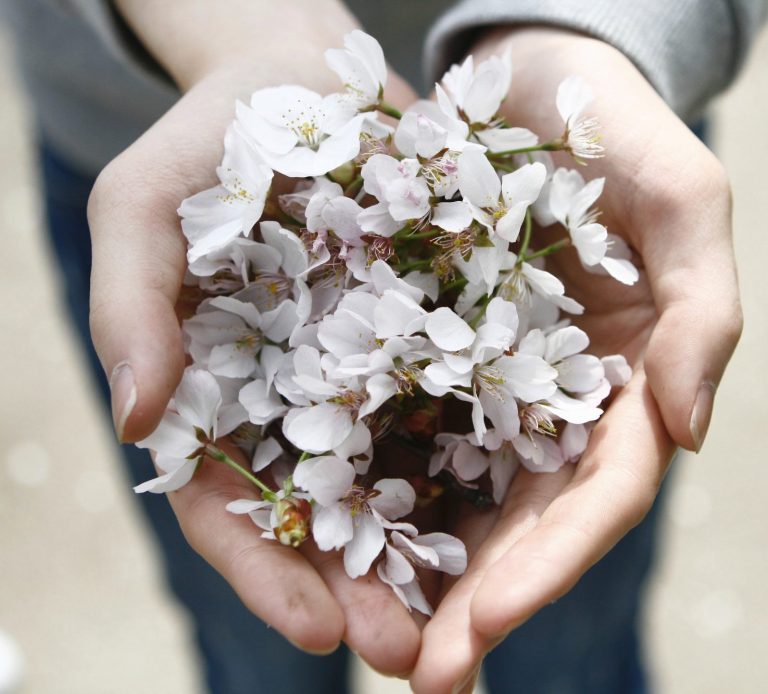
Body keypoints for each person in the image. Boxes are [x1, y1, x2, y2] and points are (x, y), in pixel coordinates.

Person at [2, 1, 764, 692]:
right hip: (134, 113)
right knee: (258, 651)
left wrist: (601, 30)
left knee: (572, 649)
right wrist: (255, 32)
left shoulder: (514, 222)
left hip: (592, 73)